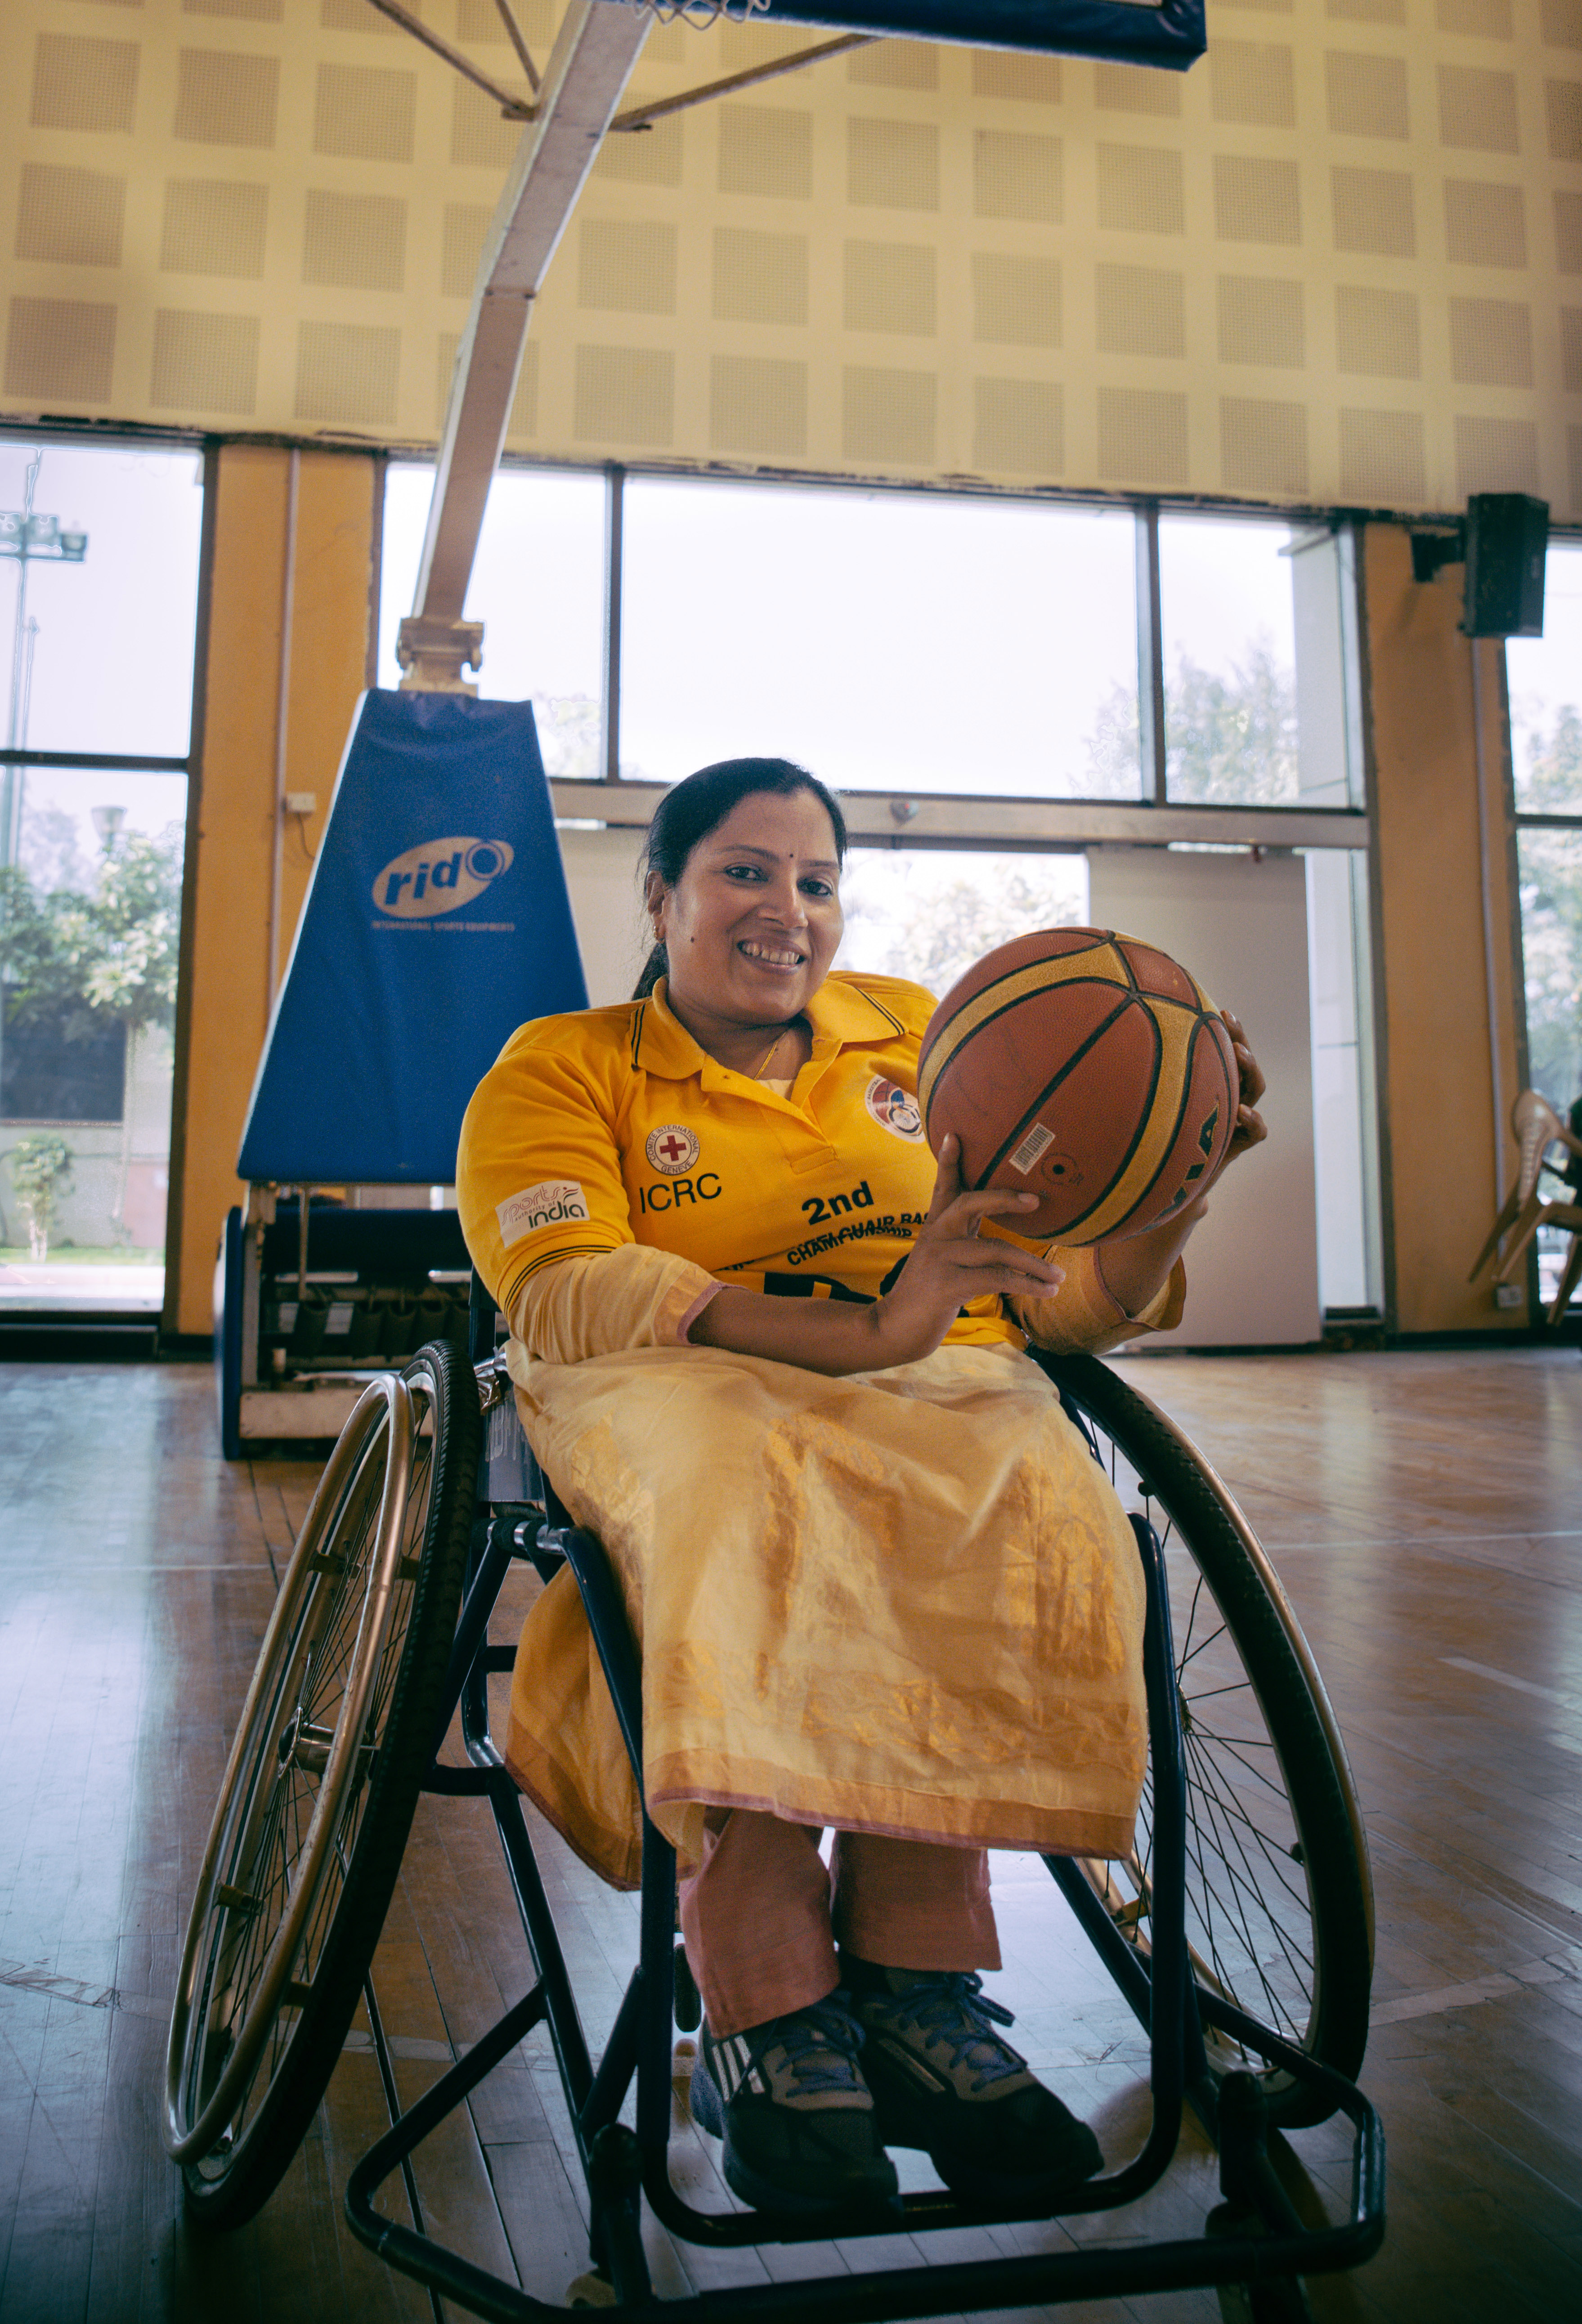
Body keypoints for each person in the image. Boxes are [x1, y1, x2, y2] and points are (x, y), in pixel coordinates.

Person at [457, 755, 1265, 2222]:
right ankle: (770, 2006)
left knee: (1025, 1481)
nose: (790, 911)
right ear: (661, 895)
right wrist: (869, 1330)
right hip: (679, 1386)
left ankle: (914, 1990)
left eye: (817, 880)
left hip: (928, 1385)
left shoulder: (920, 1035)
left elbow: (1065, 1307)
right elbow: (563, 1291)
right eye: (746, 874)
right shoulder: (561, 1066)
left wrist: (1166, 1197)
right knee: (750, 1491)